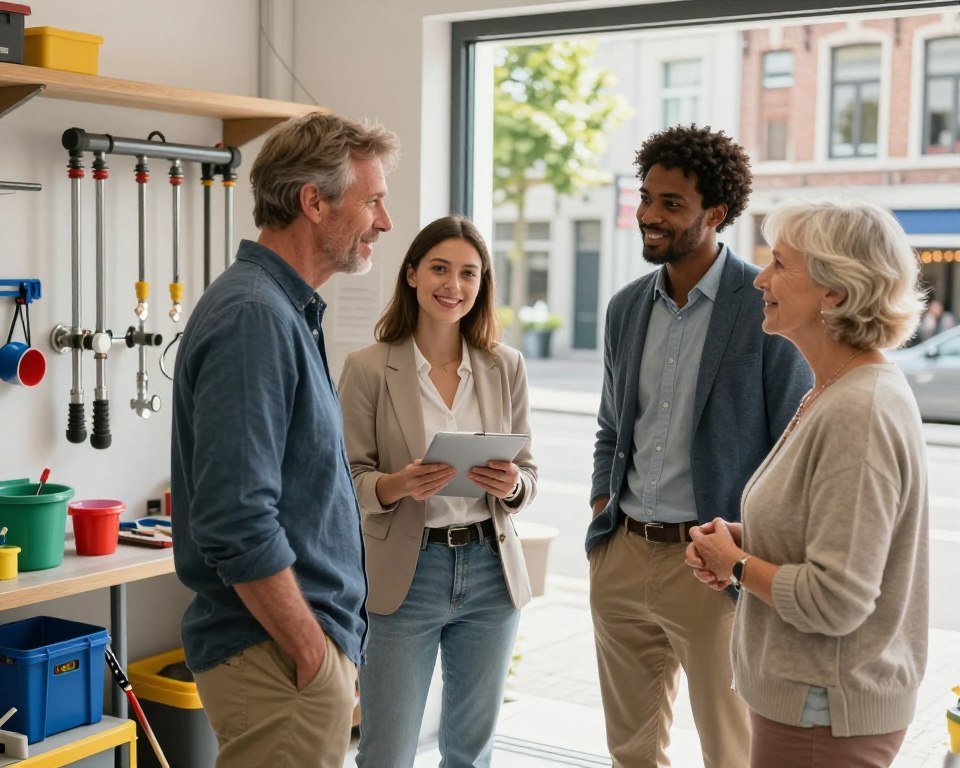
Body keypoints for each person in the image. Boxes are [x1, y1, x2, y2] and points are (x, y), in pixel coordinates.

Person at [170, 111, 398, 768]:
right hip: (277, 654)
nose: (382, 222)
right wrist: (308, 647)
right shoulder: (255, 317)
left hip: (291, 652)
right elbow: (236, 517)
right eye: (372, 200)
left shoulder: (283, 308)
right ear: (313, 202)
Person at [587, 124, 812, 768]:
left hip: (715, 567)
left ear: (716, 213)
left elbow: (791, 446)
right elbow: (611, 425)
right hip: (623, 557)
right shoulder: (627, 307)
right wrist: (602, 509)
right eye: (646, 198)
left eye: (671, 205)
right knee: (630, 750)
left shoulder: (765, 304)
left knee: (731, 749)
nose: (650, 216)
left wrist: (745, 553)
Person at [686, 199, 928, 768]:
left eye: (781, 264)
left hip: (824, 710)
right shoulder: (831, 391)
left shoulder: (858, 409)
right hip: (813, 705)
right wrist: (743, 541)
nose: (760, 279)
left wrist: (736, 565)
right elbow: (828, 531)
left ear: (835, 292)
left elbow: (836, 600)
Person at [338, 215, 537, 768]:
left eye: (469, 273)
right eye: (440, 269)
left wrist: (513, 484)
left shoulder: (506, 366)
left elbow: (528, 473)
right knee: (387, 751)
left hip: (490, 571)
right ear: (411, 276)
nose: (454, 285)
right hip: (407, 572)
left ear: (482, 284)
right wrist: (397, 484)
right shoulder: (368, 368)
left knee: (470, 753)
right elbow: (345, 479)